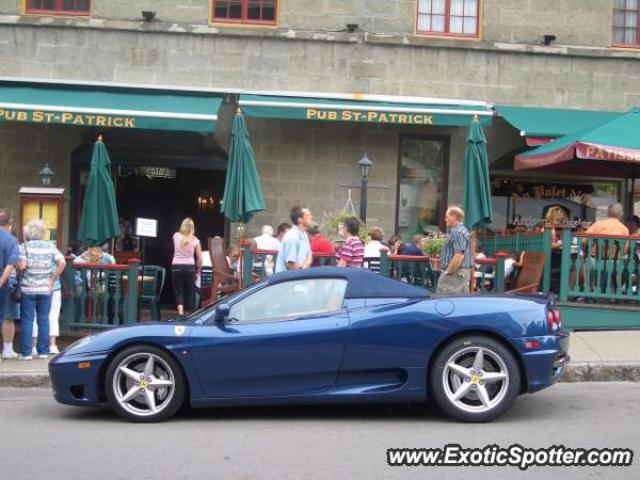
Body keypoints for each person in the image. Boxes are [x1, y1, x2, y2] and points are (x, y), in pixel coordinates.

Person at [17, 219, 65, 360]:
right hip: (46, 289)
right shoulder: (50, 247)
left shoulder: (24, 246)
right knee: (44, 319)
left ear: (28, 233)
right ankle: (43, 351)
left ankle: (26, 353)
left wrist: (18, 262)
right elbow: (62, 262)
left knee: (27, 320)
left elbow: (22, 266)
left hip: (28, 289)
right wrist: (52, 279)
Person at [436, 206, 473, 294]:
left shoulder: (457, 232)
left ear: (454, 217)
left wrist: (448, 272)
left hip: (456, 272)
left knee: (444, 299)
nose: (445, 219)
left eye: (447, 217)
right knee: (461, 303)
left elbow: (459, 255)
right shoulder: (463, 231)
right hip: (462, 273)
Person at [171, 217, 203, 316]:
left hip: (176, 266)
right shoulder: (195, 240)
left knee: (179, 291)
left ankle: (180, 312)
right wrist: (198, 272)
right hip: (189, 267)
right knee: (190, 292)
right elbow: (200, 259)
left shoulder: (176, 236)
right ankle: (191, 315)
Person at [0, 209, 19, 361]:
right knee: (8, 317)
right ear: (10, 223)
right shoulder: (12, 240)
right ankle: (7, 349)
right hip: (7, 284)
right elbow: (11, 264)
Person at [275, 206, 313, 273]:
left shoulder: (304, 234)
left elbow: (309, 254)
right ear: (300, 220)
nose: (311, 217)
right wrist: (302, 272)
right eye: (308, 215)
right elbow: (290, 264)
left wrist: (304, 266)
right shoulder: (292, 237)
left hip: (298, 278)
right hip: (286, 280)